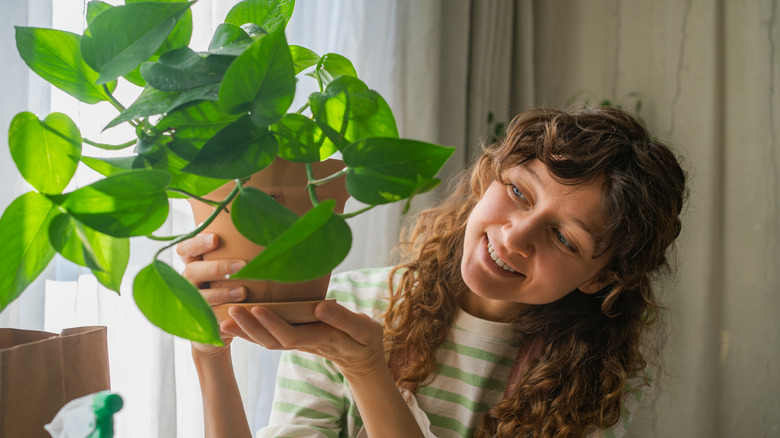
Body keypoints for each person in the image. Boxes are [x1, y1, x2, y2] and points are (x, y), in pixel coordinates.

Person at [177, 106, 688, 437]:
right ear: (488, 178)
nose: (514, 237)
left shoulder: (586, 391)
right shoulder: (345, 306)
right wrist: (209, 356)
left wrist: (367, 372)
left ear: (603, 276)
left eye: (562, 237)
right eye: (517, 191)